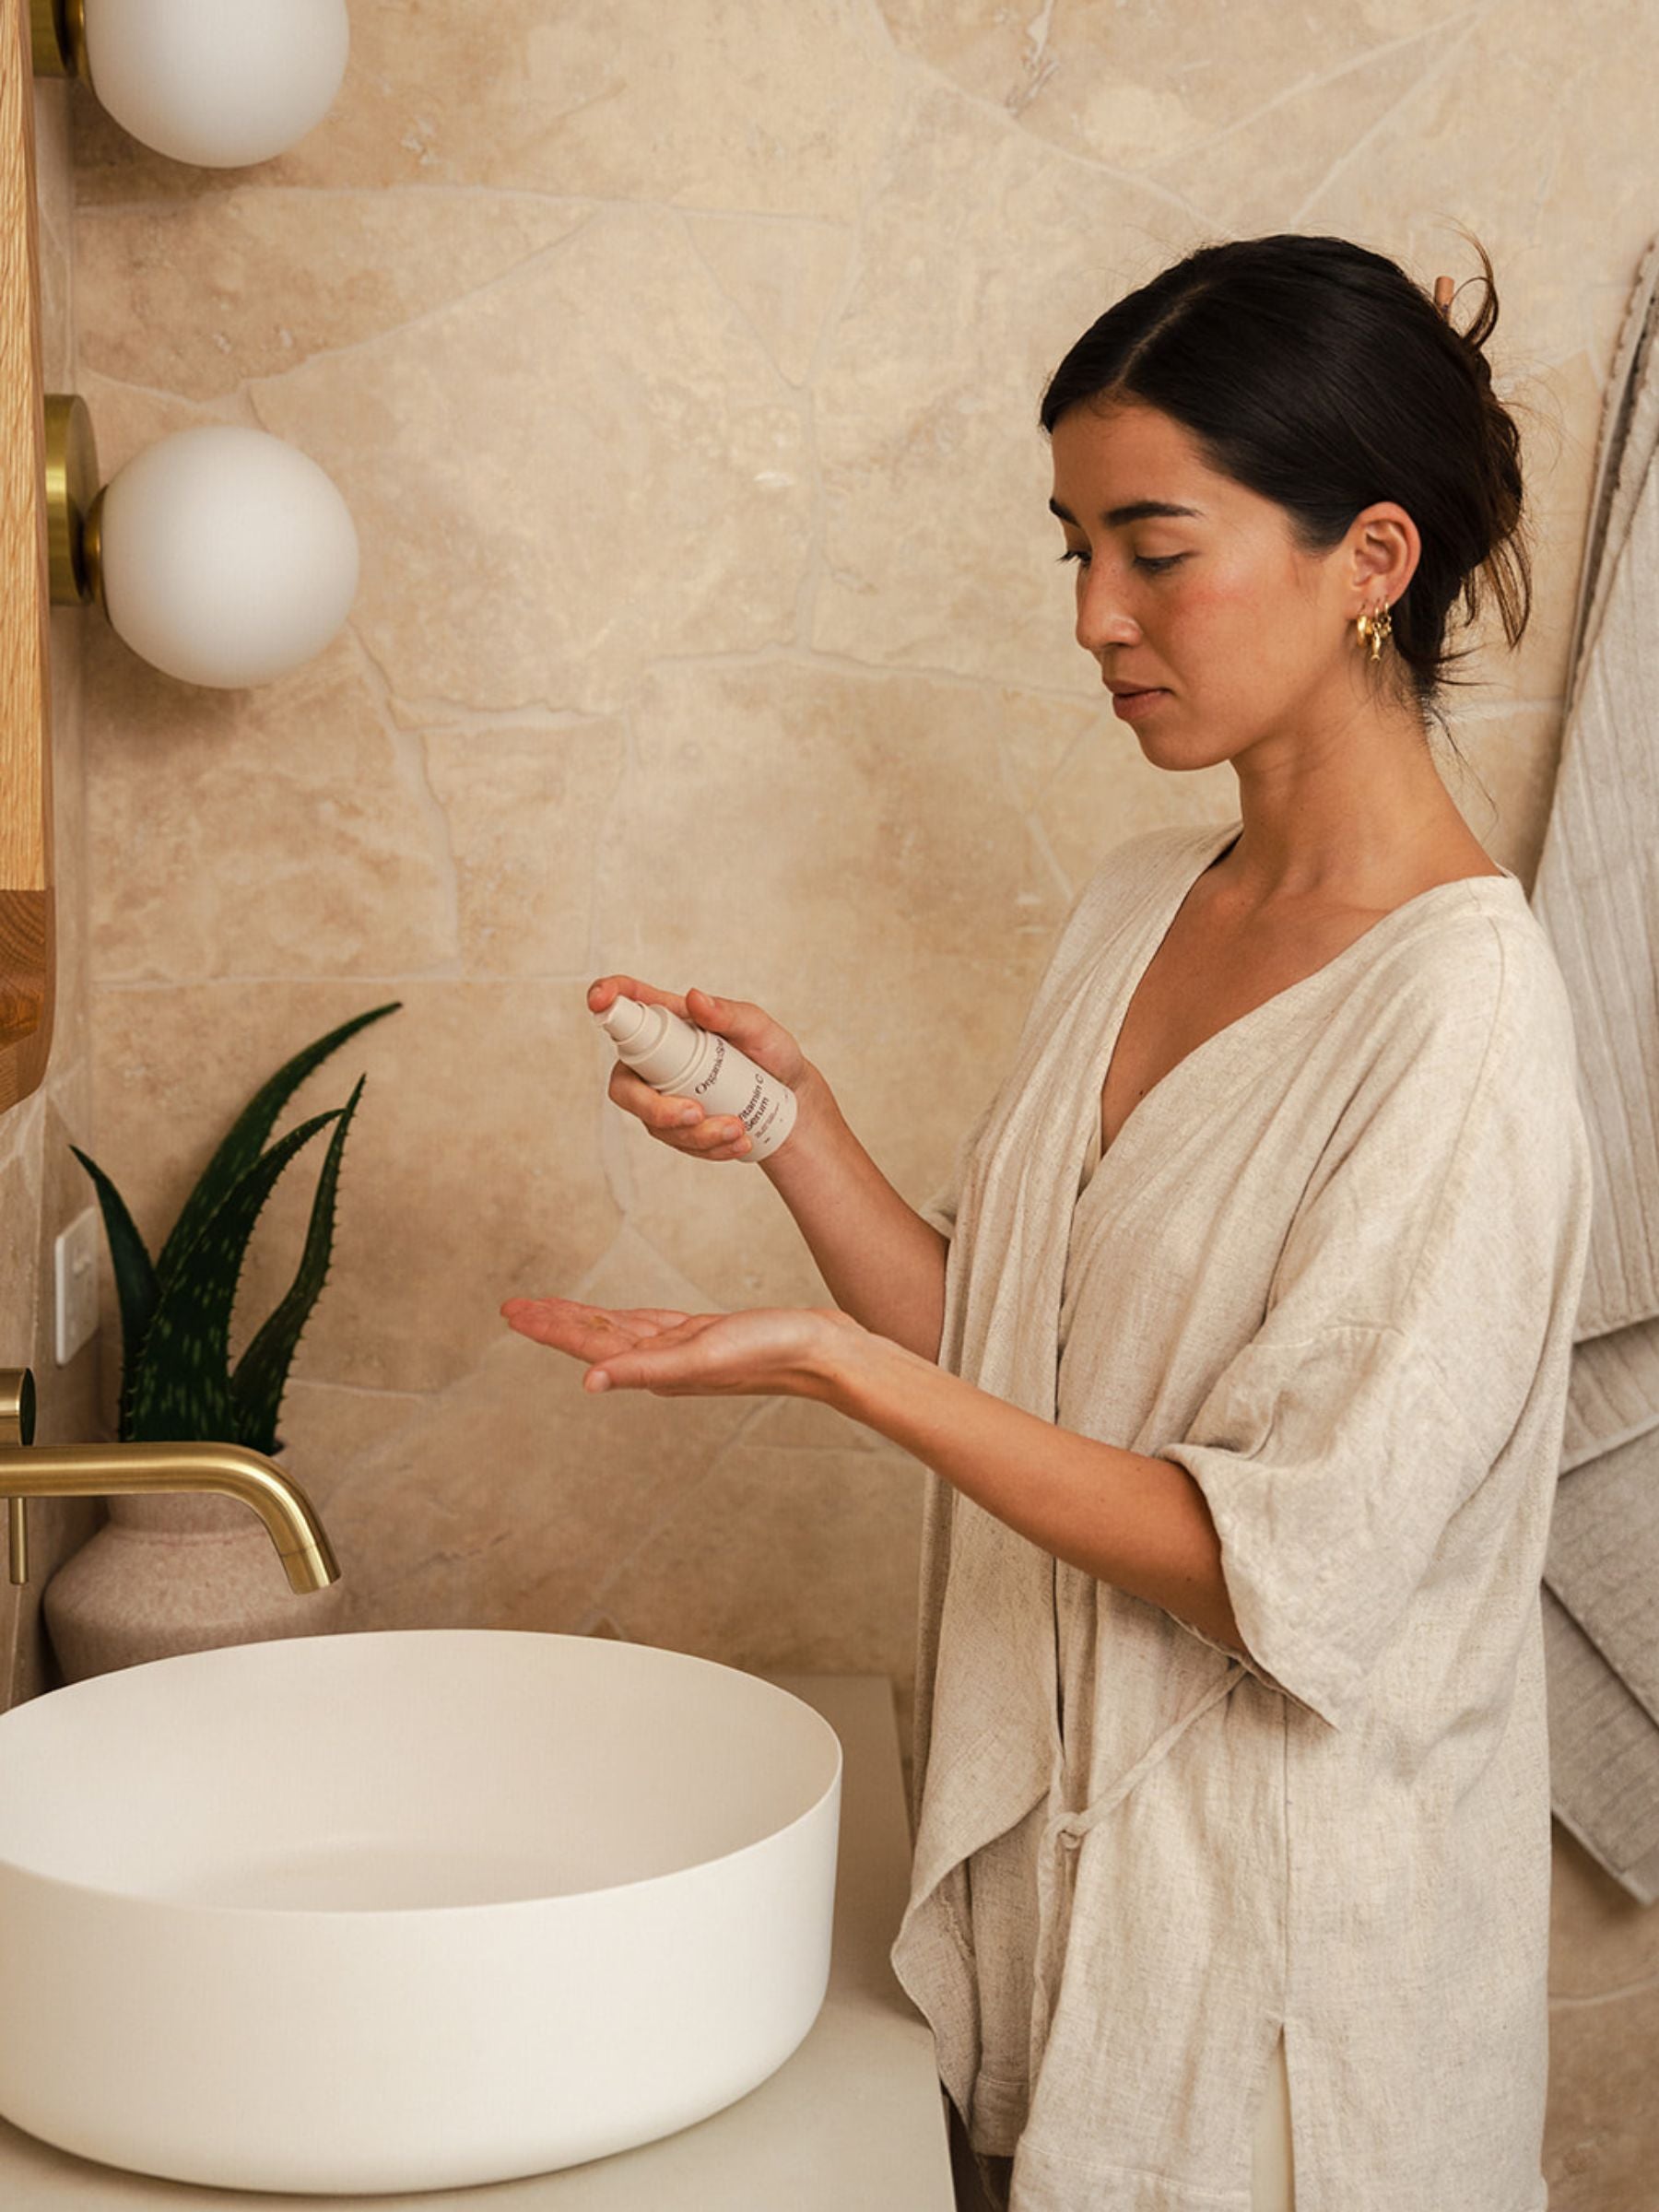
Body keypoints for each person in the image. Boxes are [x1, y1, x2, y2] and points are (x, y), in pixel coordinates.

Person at [501, 231, 1594, 2212]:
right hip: (1075, 1932)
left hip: (1287, 2010)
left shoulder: (1464, 1021)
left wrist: (830, 1372)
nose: (1095, 615)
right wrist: (792, 1133)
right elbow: (1024, 1357)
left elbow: (1279, 1569)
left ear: (1371, 558)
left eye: (1155, 548)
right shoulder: (1138, 905)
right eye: (1072, 548)